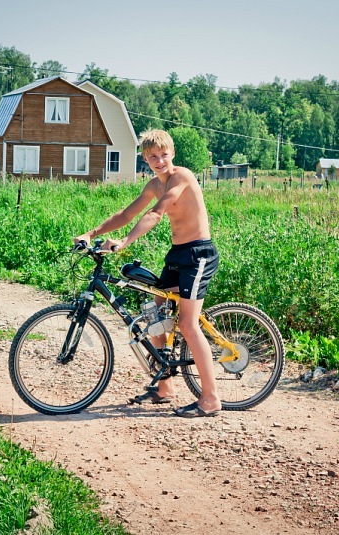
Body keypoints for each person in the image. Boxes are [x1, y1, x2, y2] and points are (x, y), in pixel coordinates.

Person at [73, 129, 221, 418]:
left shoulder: (181, 177)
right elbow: (126, 214)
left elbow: (156, 213)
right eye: (153, 157)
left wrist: (125, 241)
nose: (160, 161)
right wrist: (91, 233)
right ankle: (165, 389)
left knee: (188, 324)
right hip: (177, 255)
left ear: (172, 153)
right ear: (145, 158)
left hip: (198, 254)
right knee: (157, 316)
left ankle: (211, 399)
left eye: (164, 155)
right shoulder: (154, 184)